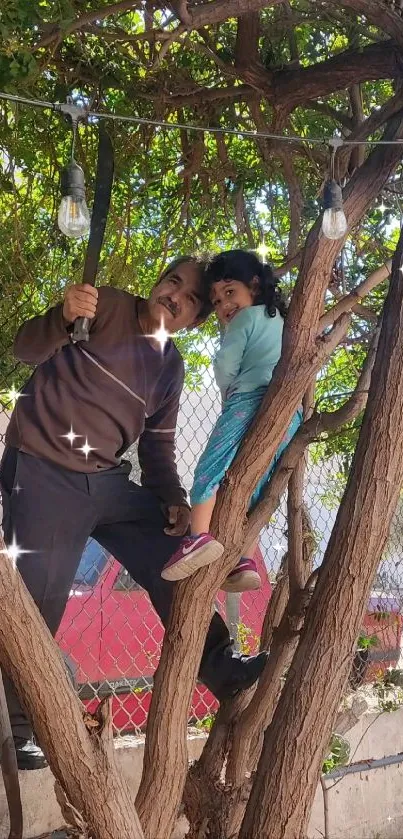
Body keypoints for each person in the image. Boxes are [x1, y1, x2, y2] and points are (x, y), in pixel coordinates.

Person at [0, 256, 267, 770]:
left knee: (180, 554)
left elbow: (158, 452)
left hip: (105, 482)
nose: (175, 297)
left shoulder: (170, 369)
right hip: (43, 470)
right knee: (39, 600)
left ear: (193, 322)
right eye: (173, 282)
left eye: (190, 299)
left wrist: (172, 501)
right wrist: (61, 317)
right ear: (156, 282)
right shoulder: (105, 304)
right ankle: (14, 728)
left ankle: (221, 666)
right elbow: (23, 348)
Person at [162, 249, 302, 591]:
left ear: (254, 286)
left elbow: (225, 364)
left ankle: (197, 538)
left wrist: (228, 390)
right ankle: (243, 558)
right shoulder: (281, 321)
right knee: (252, 484)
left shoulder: (245, 320)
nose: (224, 304)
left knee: (210, 468)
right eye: (217, 298)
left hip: (248, 400)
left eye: (229, 292)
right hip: (290, 415)